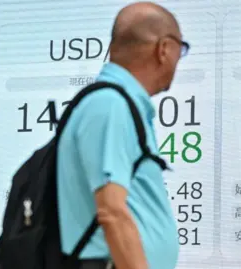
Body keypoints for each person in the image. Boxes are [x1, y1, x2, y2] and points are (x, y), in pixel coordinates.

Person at [56, 2, 189, 269]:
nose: (179, 59)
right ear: (163, 49)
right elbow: (112, 213)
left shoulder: (118, 104)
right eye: (180, 49)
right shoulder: (110, 104)